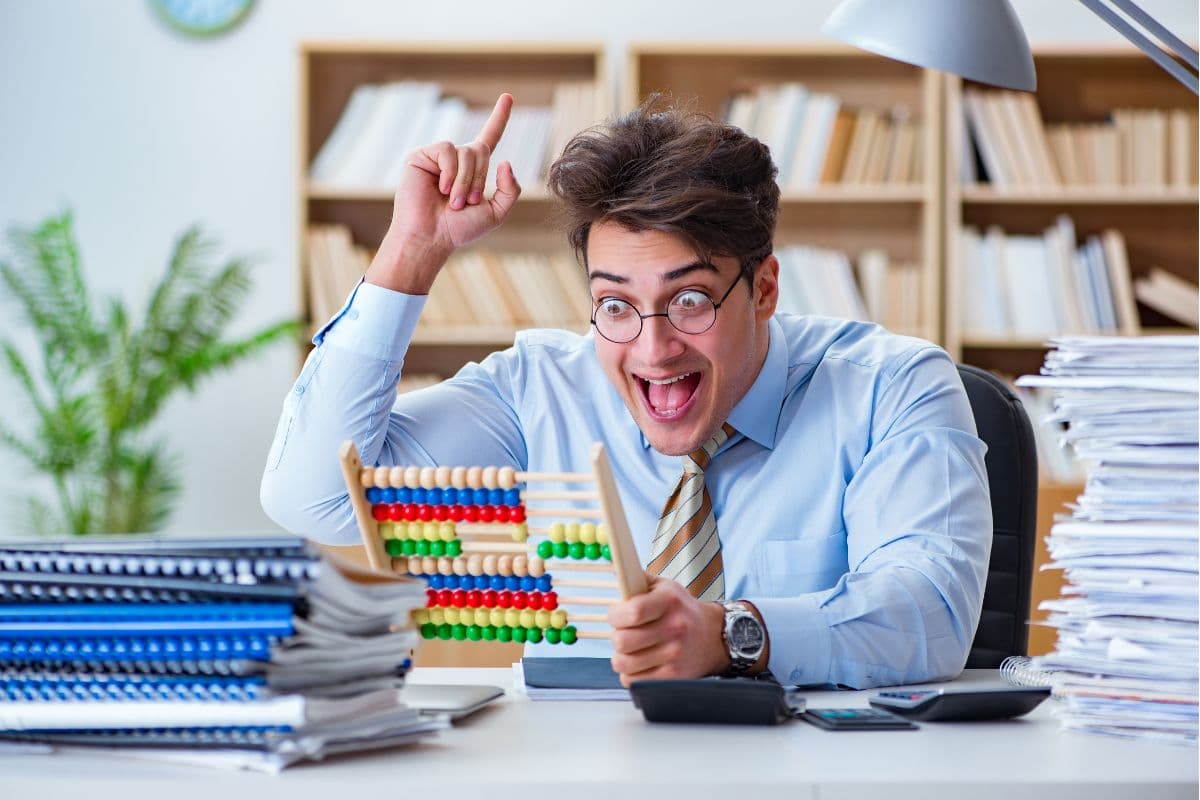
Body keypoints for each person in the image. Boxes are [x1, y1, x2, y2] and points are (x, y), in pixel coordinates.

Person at [261, 93, 992, 689]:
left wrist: (736, 632)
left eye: (692, 300)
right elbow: (314, 497)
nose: (653, 349)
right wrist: (411, 256)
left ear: (764, 289)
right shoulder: (536, 390)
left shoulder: (892, 388)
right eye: (615, 304)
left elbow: (930, 611)